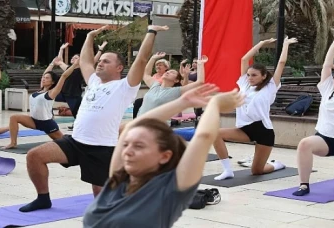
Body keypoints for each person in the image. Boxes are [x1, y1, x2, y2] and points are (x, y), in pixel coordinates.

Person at [17, 24, 169, 213]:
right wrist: (89, 37)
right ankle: (43, 198)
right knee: (34, 156)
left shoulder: (125, 87)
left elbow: (141, 60)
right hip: (75, 142)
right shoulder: (95, 81)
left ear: (119, 68)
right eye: (101, 60)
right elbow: (86, 62)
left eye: (106, 61)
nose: (100, 63)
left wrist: (151, 32)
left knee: (100, 199)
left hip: (101, 148)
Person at [83, 84, 244, 228]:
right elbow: (130, 128)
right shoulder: (118, 180)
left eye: (139, 146)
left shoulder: (171, 188)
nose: (127, 151)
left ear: (165, 156)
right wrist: (183, 102)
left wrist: (214, 105)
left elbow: (204, 136)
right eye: (126, 144)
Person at [212, 37, 298, 180]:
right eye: (249, 75)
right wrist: (261, 43)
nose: (250, 77)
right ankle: (227, 170)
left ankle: (276, 164)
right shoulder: (245, 85)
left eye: (254, 75)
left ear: (263, 76)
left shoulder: (270, 87)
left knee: (257, 171)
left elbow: (281, 63)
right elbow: (244, 60)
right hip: (244, 129)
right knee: (215, 134)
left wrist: (286, 45)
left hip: (263, 131)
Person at [293, 34, 334, 196]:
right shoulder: (328, 90)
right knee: (304, 144)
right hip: (326, 139)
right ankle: (304, 185)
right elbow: (326, 66)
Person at [2, 58, 79, 149]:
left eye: (47, 78)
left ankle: (75, 143)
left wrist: (74, 65)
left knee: (64, 144)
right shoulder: (40, 90)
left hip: (47, 124)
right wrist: (52, 63)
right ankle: (13, 143)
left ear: (52, 82)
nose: (44, 79)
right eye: (43, 78)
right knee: (14, 118)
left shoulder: (52, 92)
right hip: (34, 121)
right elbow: (45, 73)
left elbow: (64, 76)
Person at [55, 41, 108, 130]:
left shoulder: (81, 69)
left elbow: (93, 61)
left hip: (73, 94)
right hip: (63, 93)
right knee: (48, 97)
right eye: (73, 57)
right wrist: (61, 49)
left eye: (76, 58)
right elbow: (59, 61)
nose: (73, 58)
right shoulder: (68, 68)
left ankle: (82, 125)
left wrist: (100, 49)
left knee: (77, 112)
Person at [136, 52, 204, 117]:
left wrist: (200, 64)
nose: (168, 72)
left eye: (172, 72)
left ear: (176, 80)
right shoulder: (155, 85)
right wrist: (153, 58)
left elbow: (200, 82)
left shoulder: (175, 91)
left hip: (156, 127)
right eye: (168, 71)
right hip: (139, 124)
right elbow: (146, 74)